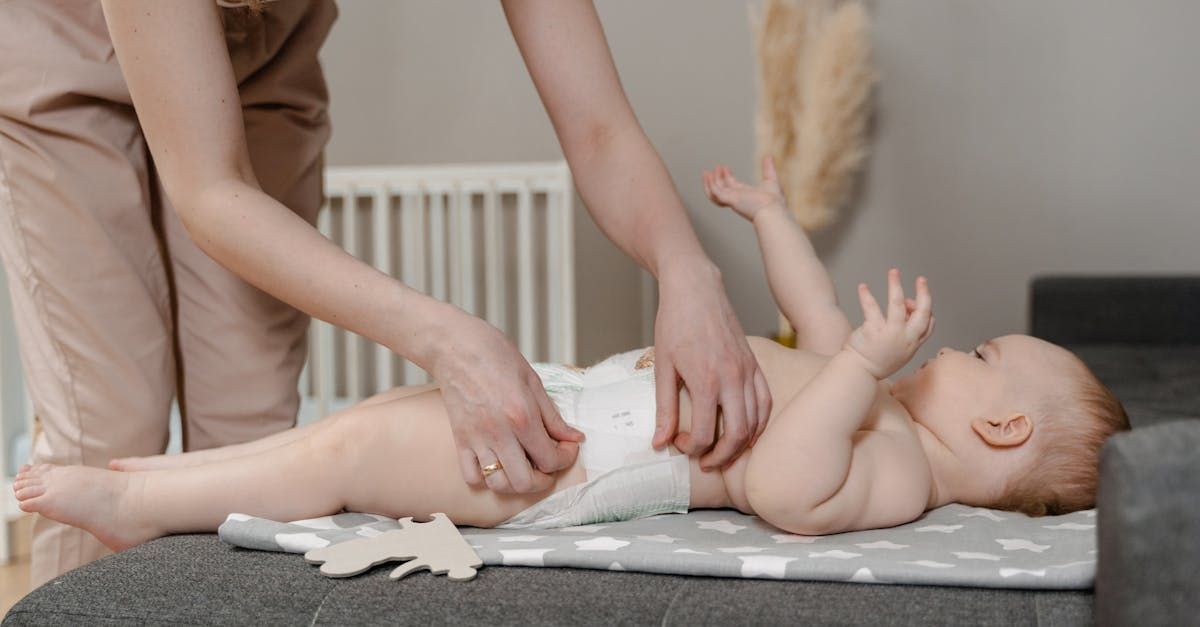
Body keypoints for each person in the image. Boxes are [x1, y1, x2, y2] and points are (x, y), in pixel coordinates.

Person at [0, 0, 767, 584]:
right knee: (108, 428)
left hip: (259, 53)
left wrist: (686, 269)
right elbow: (208, 190)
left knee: (250, 440)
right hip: (66, 57)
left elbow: (599, 128)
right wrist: (441, 338)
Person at [13, 158, 1130, 548]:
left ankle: (141, 504)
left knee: (348, 457)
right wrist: (771, 216)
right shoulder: (872, 397)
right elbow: (810, 308)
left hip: (572, 466)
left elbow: (789, 490)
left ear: (1001, 428)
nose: (961, 346)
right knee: (359, 424)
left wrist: (857, 370)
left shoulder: (901, 472)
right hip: (578, 405)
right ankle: (167, 474)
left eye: (985, 352)